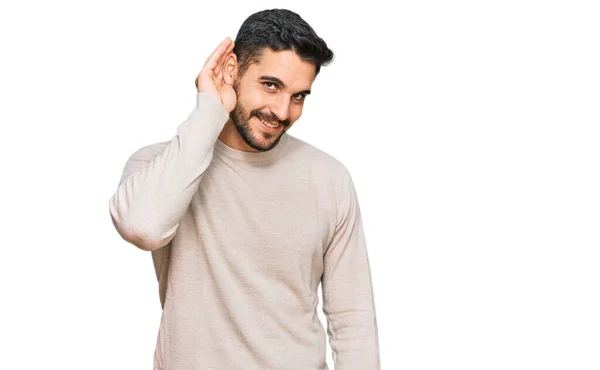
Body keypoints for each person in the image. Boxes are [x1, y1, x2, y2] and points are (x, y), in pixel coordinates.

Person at [109, 8, 380, 370]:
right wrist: (210, 110)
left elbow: (353, 319)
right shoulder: (160, 165)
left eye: (299, 96)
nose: (282, 111)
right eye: (271, 85)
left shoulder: (329, 178)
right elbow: (142, 227)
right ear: (233, 70)